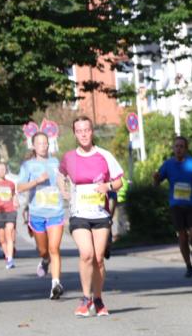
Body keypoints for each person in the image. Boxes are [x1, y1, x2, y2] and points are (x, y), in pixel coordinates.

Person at [58, 116, 124, 316]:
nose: (83, 134)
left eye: (86, 130)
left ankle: (98, 298)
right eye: (79, 131)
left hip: (100, 214)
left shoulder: (104, 155)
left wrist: (108, 186)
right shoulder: (69, 157)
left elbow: (120, 181)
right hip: (79, 213)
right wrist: (64, 191)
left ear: (92, 131)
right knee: (86, 253)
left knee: (98, 259)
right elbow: (61, 175)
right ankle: (85, 299)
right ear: (75, 134)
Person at [17, 133, 66, 299]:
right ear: (34, 146)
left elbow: (60, 179)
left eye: (45, 143)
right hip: (37, 213)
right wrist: (37, 181)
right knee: (43, 250)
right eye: (39, 143)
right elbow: (20, 187)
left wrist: (65, 190)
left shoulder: (55, 163)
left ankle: (55, 284)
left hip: (56, 212)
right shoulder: (28, 166)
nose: (43, 146)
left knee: (54, 248)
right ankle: (45, 261)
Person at [153, 136, 192, 277]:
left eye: (182, 146)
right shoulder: (168, 165)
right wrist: (156, 178)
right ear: (173, 148)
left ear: (186, 149)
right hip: (176, 206)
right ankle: (188, 266)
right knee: (182, 237)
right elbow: (157, 182)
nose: (179, 149)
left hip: (191, 204)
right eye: (176, 146)